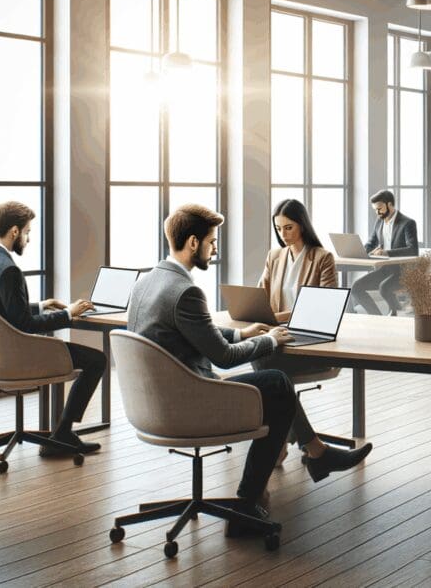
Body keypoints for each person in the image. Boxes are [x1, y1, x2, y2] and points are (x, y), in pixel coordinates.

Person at [127, 205, 366, 536]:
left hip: (151, 404)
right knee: (277, 383)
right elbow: (224, 358)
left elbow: (200, 333)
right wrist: (268, 340)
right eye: (212, 241)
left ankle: (308, 457)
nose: (215, 249)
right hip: (188, 403)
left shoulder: (146, 283)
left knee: (271, 378)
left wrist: (242, 334)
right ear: (194, 243)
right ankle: (250, 499)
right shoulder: (187, 292)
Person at [0, 201, 104, 457]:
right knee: (97, 360)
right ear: (14, 231)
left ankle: (61, 433)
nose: (28, 239)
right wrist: (68, 314)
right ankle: (63, 434)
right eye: (27, 232)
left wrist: (40, 306)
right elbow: (24, 325)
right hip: (12, 359)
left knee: (83, 356)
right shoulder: (8, 270)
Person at [253, 198, 373, 468]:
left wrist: (276, 319)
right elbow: (261, 298)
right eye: (278, 228)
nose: (283, 234)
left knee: (265, 367)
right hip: (280, 341)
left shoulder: (322, 258)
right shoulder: (274, 256)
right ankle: (311, 448)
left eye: (289, 228)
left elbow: (324, 308)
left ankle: (280, 444)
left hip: (312, 344)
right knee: (270, 371)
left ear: (302, 226)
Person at [350, 190, 420, 315]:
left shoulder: (407, 223)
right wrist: (360, 251)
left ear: (390, 205)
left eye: (379, 209)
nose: (377, 213)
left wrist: (387, 253)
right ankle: (377, 317)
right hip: (385, 270)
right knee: (356, 288)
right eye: (375, 210)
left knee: (384, 288)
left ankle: (395, 312)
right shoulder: (379, 222)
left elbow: (413, 250)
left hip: (403, 271)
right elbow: (371, 242)